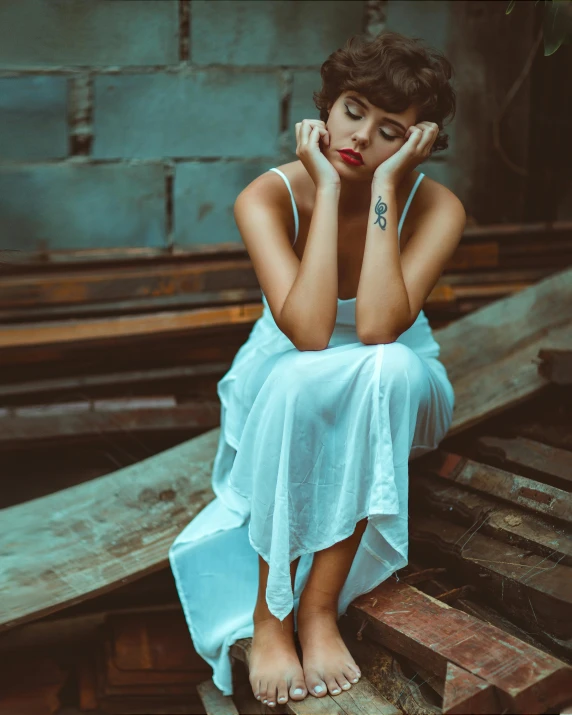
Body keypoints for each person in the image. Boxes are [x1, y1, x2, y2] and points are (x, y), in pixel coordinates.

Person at [169, 30, 466, 709]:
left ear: (419, 141)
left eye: (391, 130)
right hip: (286, 376)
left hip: (399, 379)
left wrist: (387, 186)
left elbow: (377, 327)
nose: (360, 136)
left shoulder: (438, 207)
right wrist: (328, 189)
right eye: (353, 109)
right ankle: (270, 615)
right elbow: (306, 332)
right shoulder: (266, 197)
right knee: (306, 377)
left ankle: (315, 609)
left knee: (383, 367)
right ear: (326, 107)